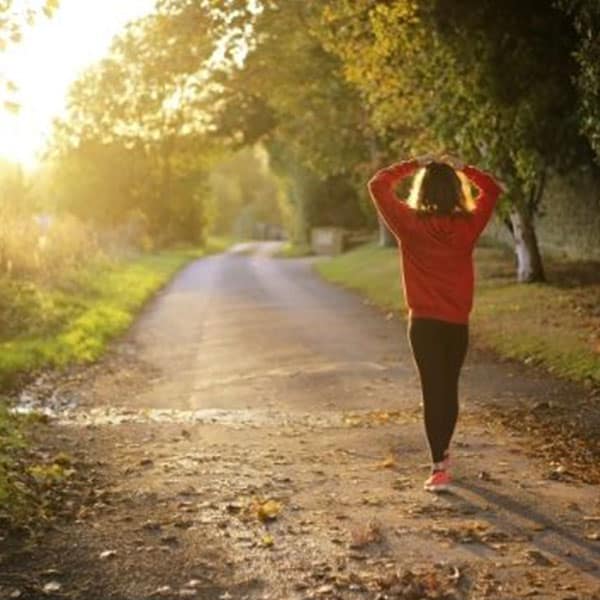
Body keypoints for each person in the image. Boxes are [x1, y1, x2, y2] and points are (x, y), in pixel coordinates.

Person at [367, 154, 504, 492]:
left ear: (422, 189)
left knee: (433, 390)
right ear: (456, 191)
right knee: (449, 388)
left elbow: (377, 184)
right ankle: (443, 457)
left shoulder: (408, 224)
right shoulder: (468, 226)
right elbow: (493, 189)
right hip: (456, 323)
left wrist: (414, 163)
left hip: (424, 324)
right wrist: (464, 167)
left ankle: (438, 466)